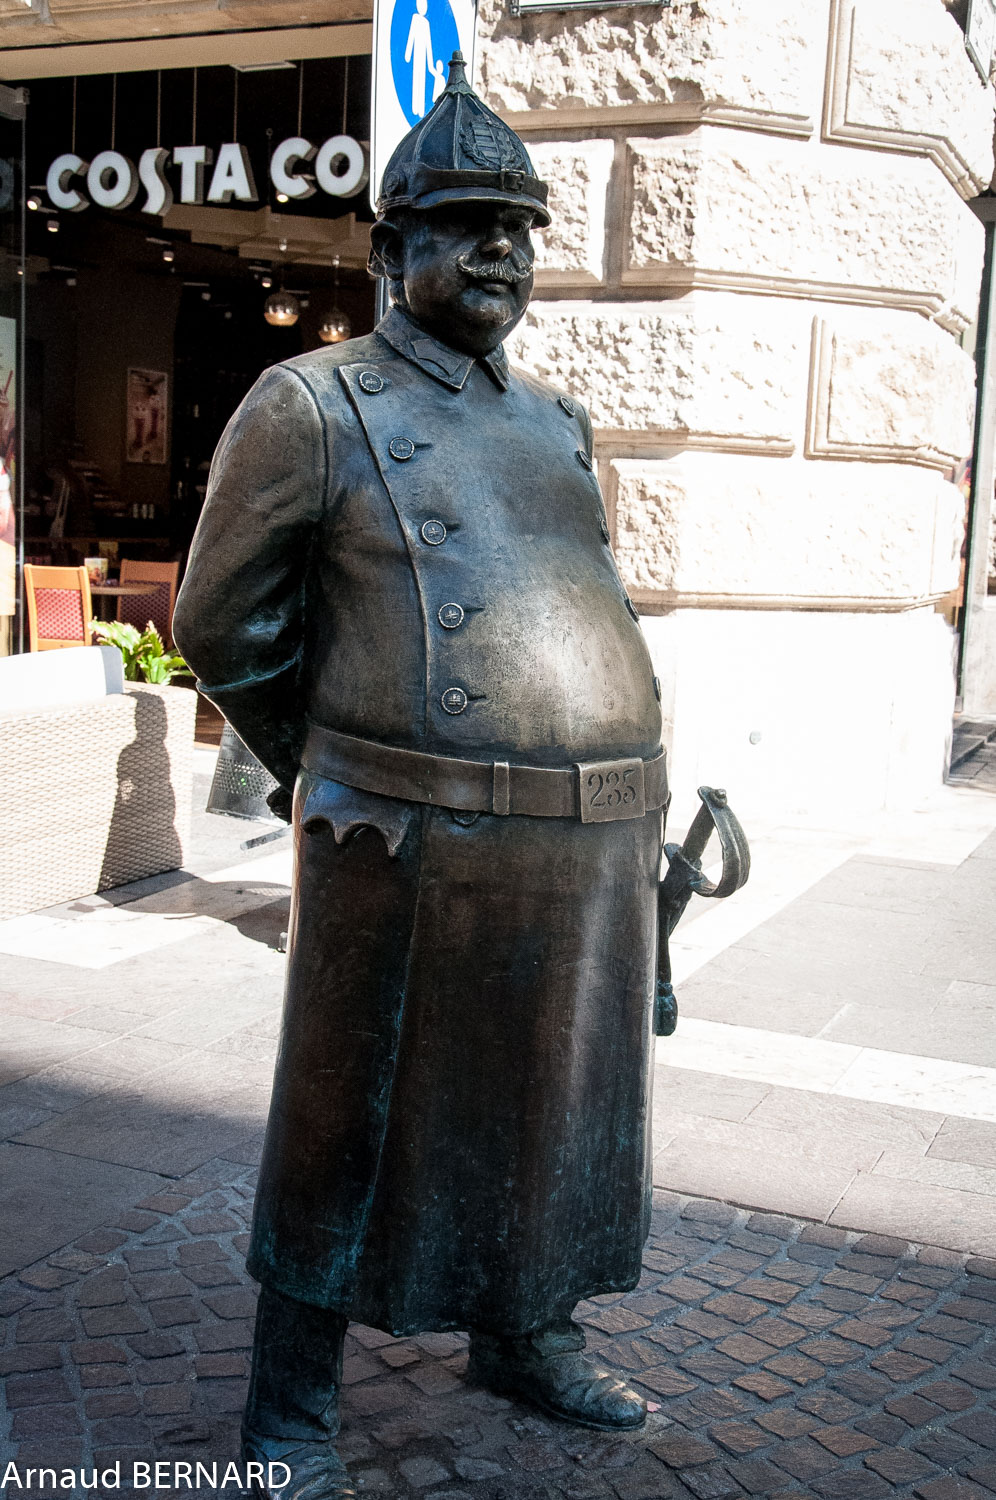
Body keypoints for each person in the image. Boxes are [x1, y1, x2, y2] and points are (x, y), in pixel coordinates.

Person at [173, 54, 667, 1500]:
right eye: (466, 226)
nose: (500, 253)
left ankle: (528, 1330)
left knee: (555, 1102)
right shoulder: (312, 403)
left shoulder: (556, 422)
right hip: (399, 843)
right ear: (394, 248)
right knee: (343, 1122)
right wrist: (339, 767)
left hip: (587, 843)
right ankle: (290, 1406)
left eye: (519, 229)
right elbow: (223, 623)